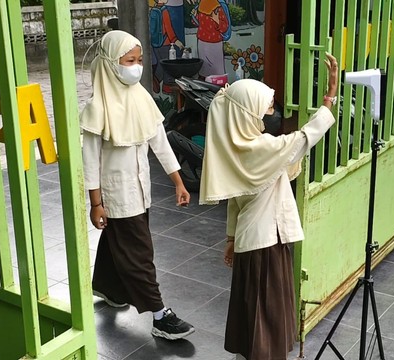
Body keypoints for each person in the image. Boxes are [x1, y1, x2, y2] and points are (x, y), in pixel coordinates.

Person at [199, 53, 340, 359]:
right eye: (265, 110)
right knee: (269, 315)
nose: (269, 116)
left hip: (252, 242)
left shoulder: (237, 149)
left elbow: (235, 203)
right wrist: (329, 97)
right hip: (267, 244)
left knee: (254, 314)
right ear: (246, 114)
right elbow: (304, 138)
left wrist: (231, 239)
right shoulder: (262, 148)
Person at [80, 30, 195, 340]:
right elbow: (89, 162)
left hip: (141, 191)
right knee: (139, 252)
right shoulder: (96, 108)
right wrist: (96, 203)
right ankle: (160, 316)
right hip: (117, 196)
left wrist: (178, 181)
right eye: (129, 60)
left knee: (122, 241)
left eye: (139, 60)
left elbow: (160, 142)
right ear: (109, 64)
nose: (136, 66)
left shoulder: (141, 97)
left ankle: (108, 287)